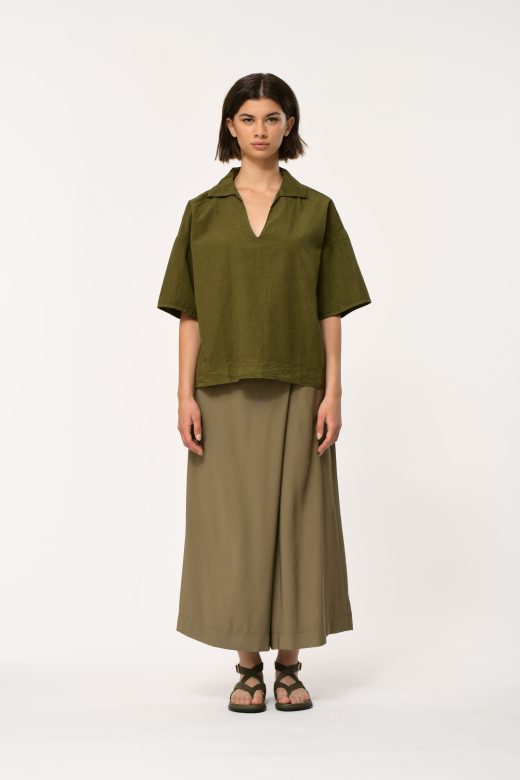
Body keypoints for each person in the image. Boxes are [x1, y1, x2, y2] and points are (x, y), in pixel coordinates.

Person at [156, 72, 372, 713]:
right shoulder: (202, 211)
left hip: (299, 381)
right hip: (221, 386)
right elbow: (189, 311)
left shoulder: (316, 209)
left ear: (289, 125)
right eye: (248, 118)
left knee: (299, 519)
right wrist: (183, 396)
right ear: (231, 126)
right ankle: (247, 665)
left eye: (272, 117)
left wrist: (334, 393)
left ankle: (290, 665)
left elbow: (331, 307)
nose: (260, 129)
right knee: (235, 525)